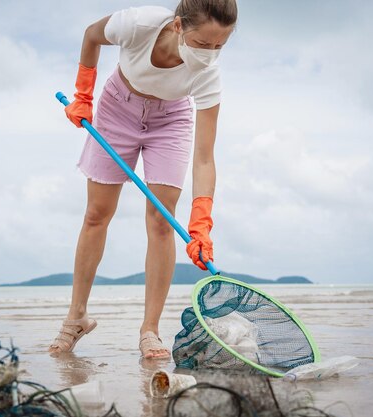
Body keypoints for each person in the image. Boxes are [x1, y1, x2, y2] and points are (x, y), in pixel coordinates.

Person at [49, 0, 237, 359]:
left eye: (220, 47)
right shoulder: (139, 24)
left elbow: (204, 157)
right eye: (203, 44)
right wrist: (83, 94)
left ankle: (149, 330)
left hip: (171, 120)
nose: (210, 56)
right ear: (179, 26)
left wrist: (201, 223)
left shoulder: (208, 74)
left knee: (162, 220)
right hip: (117, 108)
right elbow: (92, 35)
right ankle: (76, 318)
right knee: (96, 214)